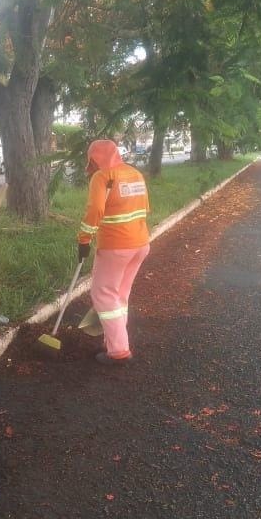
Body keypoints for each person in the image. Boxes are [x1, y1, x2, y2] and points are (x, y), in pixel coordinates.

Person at [78, 139, 150, 365]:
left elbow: (96, 209)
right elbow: (145, 207)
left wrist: (84, 238)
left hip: (116, 246)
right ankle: (114, 340)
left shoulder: (103, 177)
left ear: (94, 158)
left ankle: (118, 350)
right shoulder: (134, 173)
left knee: (103, 294)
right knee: (119, 295)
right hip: (140, 243)